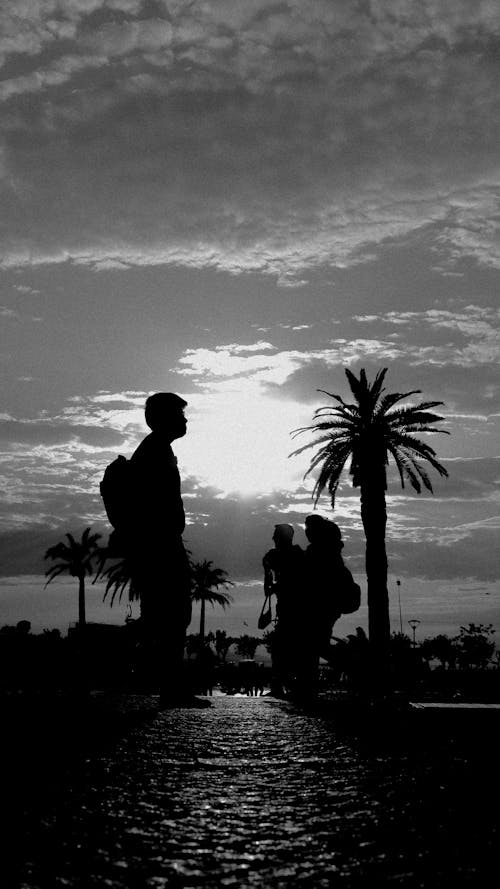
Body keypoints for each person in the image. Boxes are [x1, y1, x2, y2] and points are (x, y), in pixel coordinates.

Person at [128, 392, 201, 707]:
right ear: (163, 418)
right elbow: (153, 504)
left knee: (170, 614)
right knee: (172, 613)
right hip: (159, 544)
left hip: (159, 542)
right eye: (180, 414)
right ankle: (171, 688)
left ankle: (172, 686)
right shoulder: (154, 451)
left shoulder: (156, 449)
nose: (185, 420)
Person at [302, 514, 349, 693]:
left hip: (324, 605)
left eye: (308, 529)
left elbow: (314, 576)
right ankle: (309, 682)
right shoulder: (324, 549)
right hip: (327, 604)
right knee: (314, 644)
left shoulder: (320, 552)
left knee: (315, 644)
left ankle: (355, 665)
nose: (306, 533)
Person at [262, 523, 304, 696]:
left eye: (276, 535)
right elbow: (269, 585)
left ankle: (284, 683)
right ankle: (284, 683)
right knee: (285, 645)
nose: (273, 538)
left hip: (296, 608)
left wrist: (273, 582)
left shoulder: (295, 555)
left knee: (284, 645)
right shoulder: (296, 554)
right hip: (287, 608)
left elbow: (294, 583)